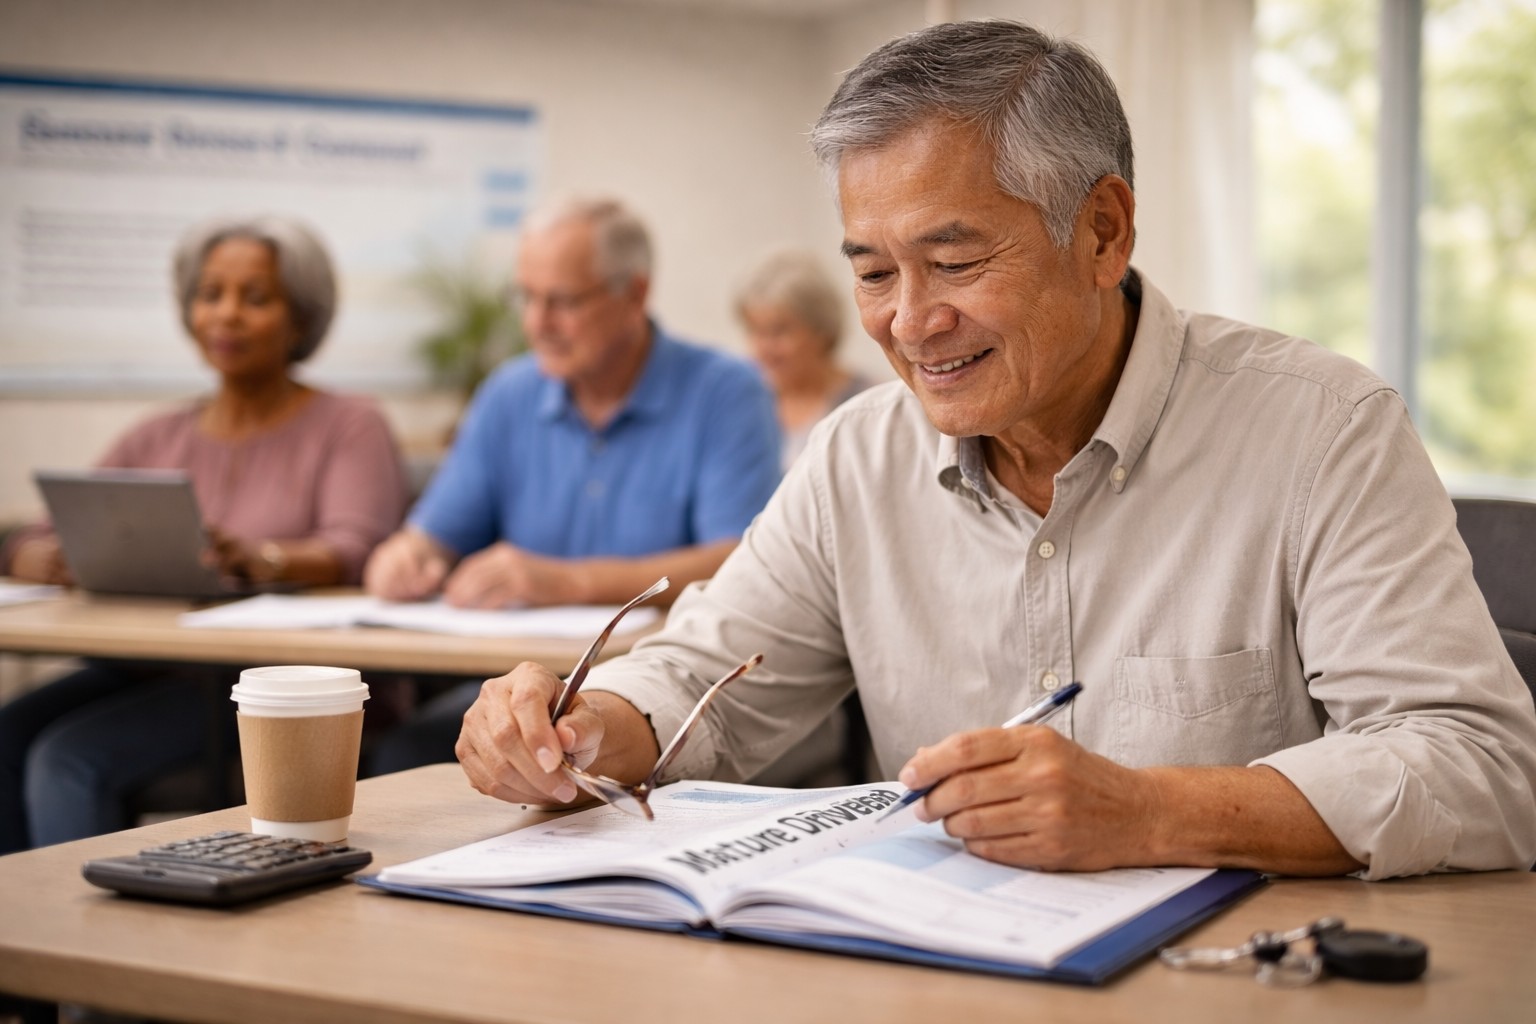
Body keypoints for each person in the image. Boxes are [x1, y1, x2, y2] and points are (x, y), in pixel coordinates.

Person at [450, 21, 1536, 881]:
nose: (911, 323)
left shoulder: (1319, 430)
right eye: (873, 273)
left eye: (955, 260)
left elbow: (1484, 766)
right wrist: (580, 727)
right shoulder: (855, 460)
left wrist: (1152, 809)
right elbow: (703, 681)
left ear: (1103, 232)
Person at [0, 215, 408, 852]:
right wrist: (41, 556)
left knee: (66, 758)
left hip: (274, 690)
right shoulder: (157, 434)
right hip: (150, 670)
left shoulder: (351, 424)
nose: (227, 316)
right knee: (7, 732)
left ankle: (83, 945)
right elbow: (34, 533)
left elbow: (357, 549)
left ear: (300, 317)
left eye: (256, 297)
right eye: (209, 294)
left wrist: (263, 558)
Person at [362, 196, 780, 773]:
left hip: (665, 682)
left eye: (562, 301)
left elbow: (740, 563)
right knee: (408, 755)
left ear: (633, 293)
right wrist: (406, 555)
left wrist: (561, 581)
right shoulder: (509, 394)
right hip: (513, 685)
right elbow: (433, 536)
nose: (536, 323)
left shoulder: (727, 392)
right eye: (527, 297)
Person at [735, 250, 874, 471]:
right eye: (755, 331)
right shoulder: (744, 402)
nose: (764, 348)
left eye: (778, 331)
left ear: (820, 329)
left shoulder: (869, 406)